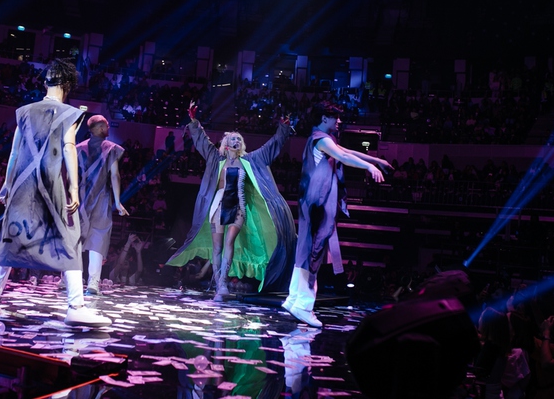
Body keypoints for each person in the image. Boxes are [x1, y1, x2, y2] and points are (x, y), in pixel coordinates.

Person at [0, 59, 110, 326]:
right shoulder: (70, 113)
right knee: (69, 238)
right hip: (51, 186)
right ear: (67, 84)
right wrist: (73, 189)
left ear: (46, 81)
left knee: (10, 241)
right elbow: (68, 148)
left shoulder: (24, 111)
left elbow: (14, 152)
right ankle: (76, 306)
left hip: (21, 185)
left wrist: (7, 183)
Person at [167, 101, 296, 301]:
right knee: (217, 247)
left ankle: (223, 282)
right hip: (218, 206)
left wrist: (284, 128)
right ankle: (218, 283)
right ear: (226, 143)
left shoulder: (250, 160)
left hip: (238, 207)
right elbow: (202, 142)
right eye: (233, 138)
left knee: (229, 243)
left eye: (238, 139)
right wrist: (194, 122)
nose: (236, 140)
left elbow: (272, 146)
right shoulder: (215, 159)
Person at [282, 101, 390, 327]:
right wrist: (369, 168)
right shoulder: (321, 140)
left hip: (312, 203)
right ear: (324, 118)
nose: (339, 121)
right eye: (335, 117)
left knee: (306, 251)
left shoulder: (322, 138)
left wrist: (375, 160)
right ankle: (303, 305)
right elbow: (343, 156)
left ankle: (294, 298)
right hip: (317, 204)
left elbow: (346, 151)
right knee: (314, 252)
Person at [78, 114, 128, 295]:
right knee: (98, 239)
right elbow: (115, 175)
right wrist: (118, 201)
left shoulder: (77, 148)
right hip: (101, 197)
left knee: (75, 238)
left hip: (80, 198)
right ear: (100, 128)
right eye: (106, 125)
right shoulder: (110, 148)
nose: (108, 128)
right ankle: (93, 282)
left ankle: (67, 278)